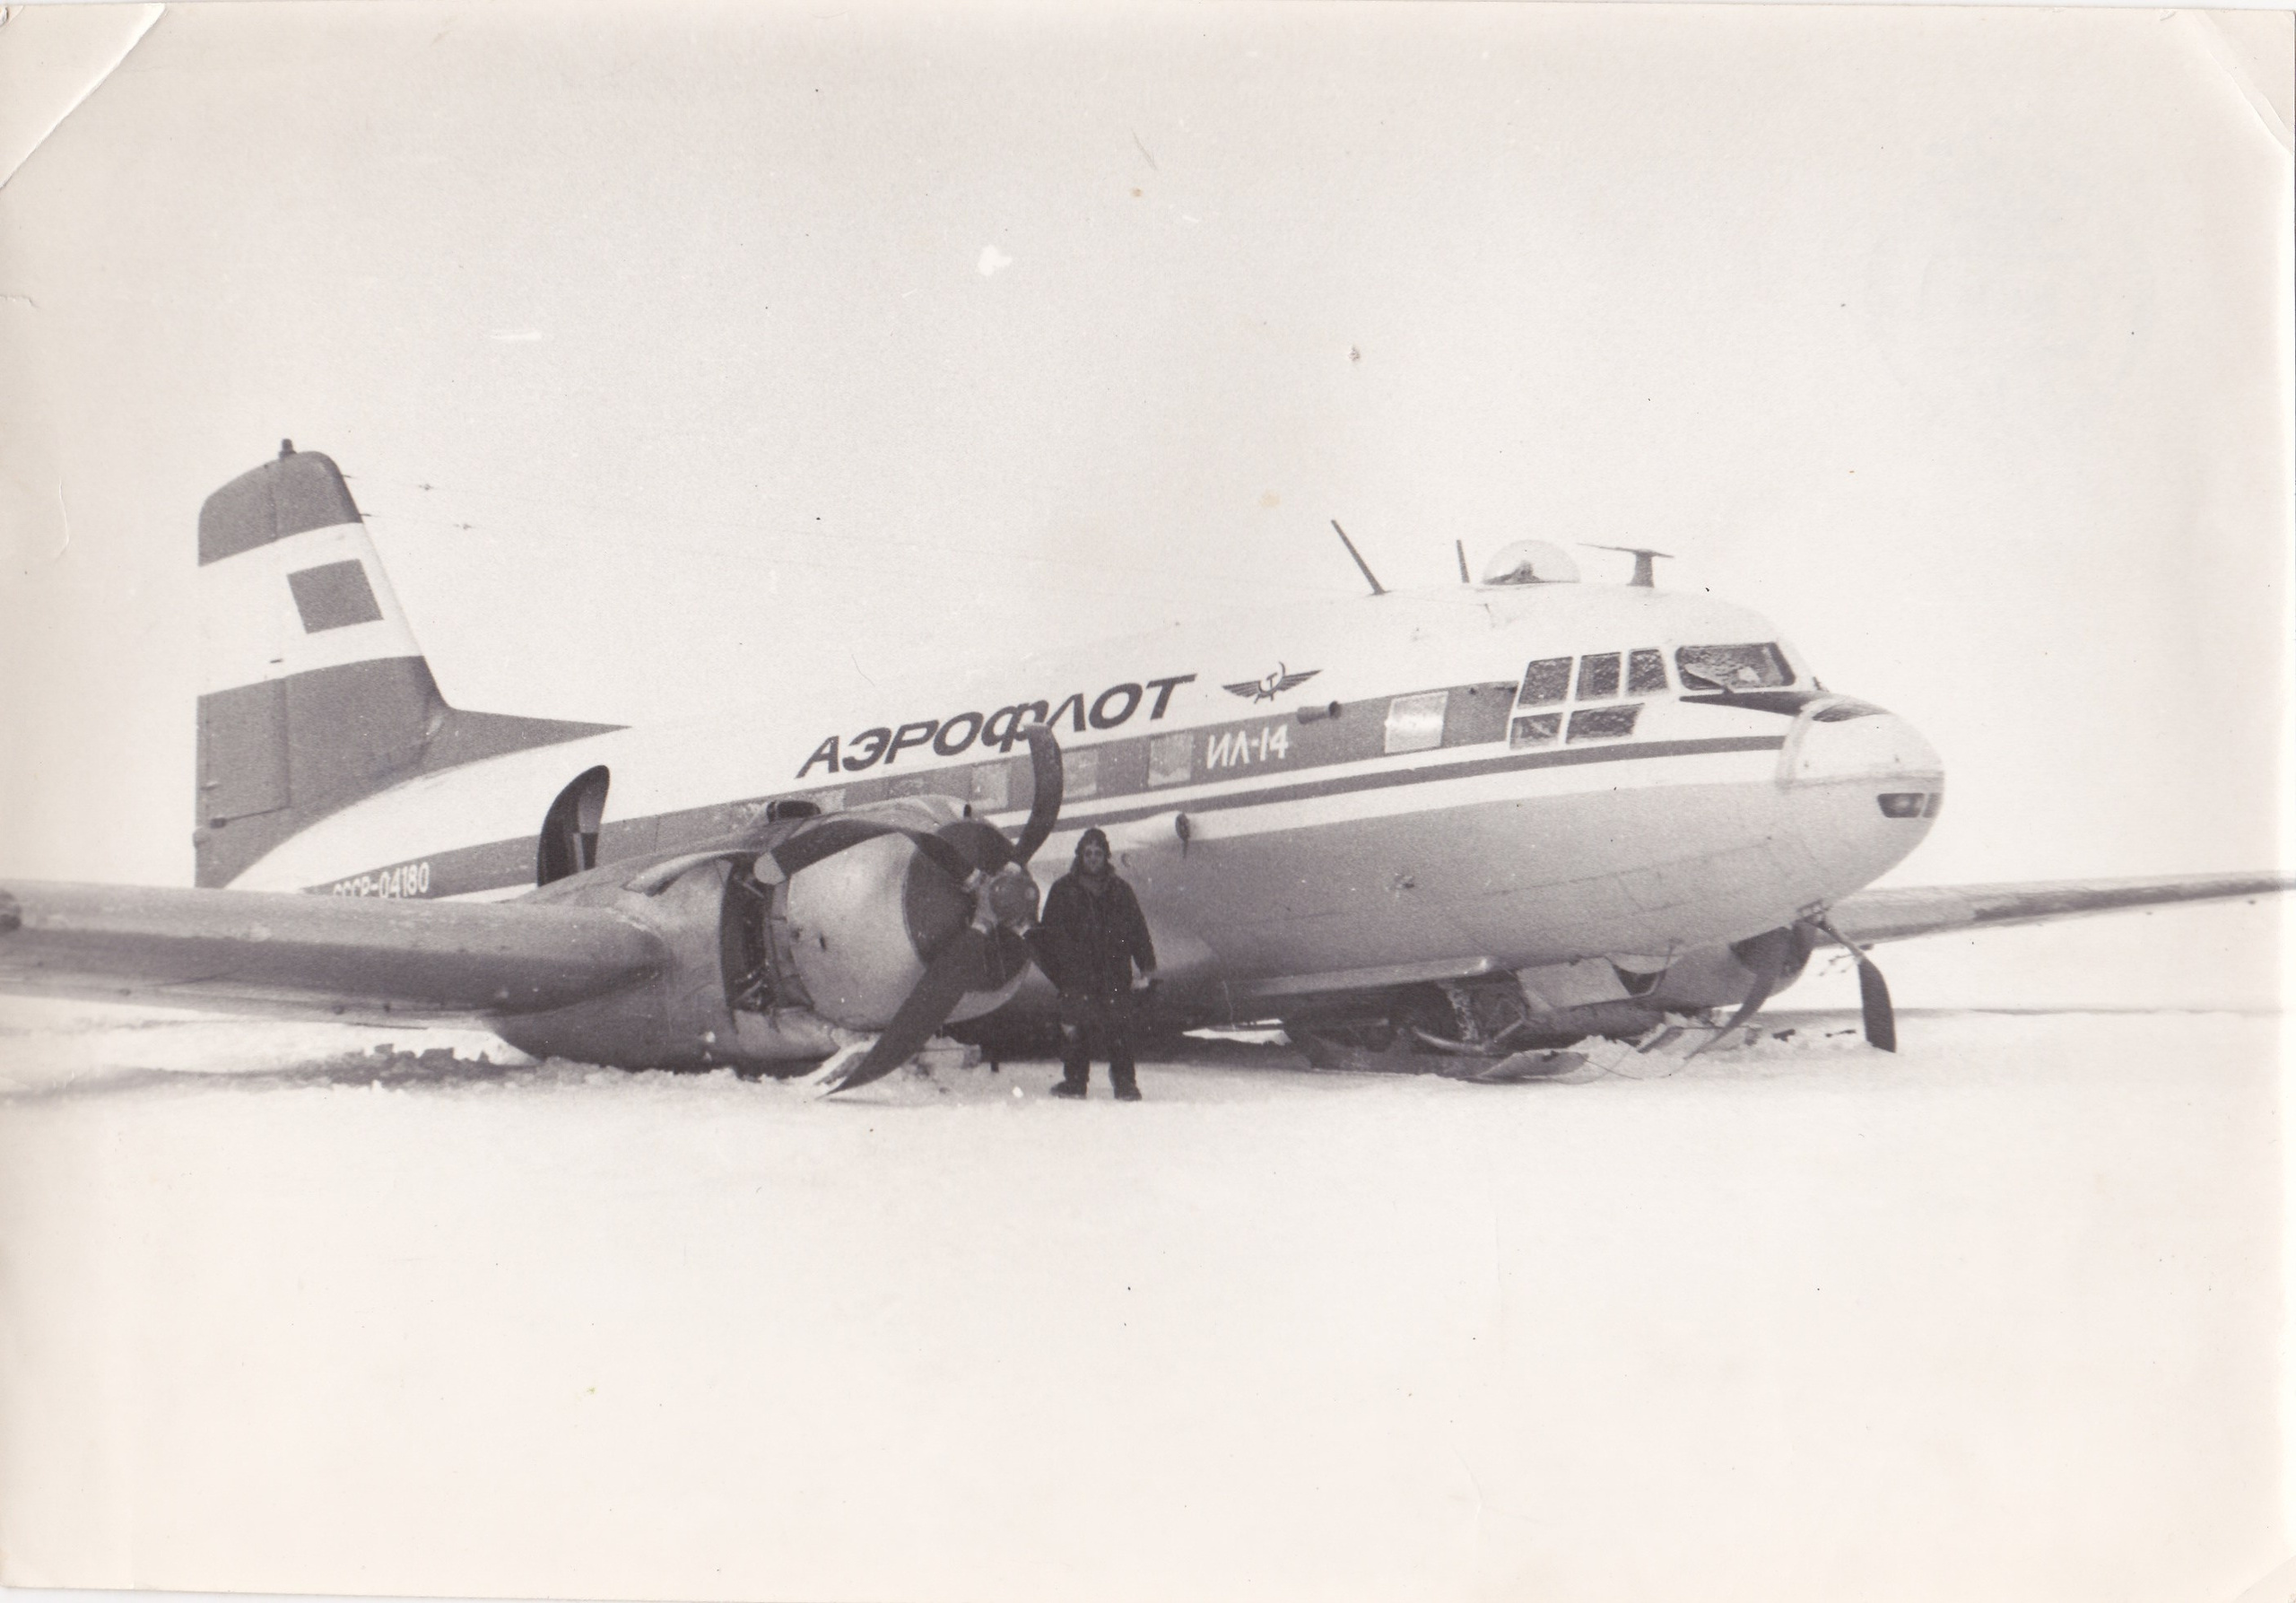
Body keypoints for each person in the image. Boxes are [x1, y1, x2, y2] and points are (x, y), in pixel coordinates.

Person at [1031, 827, 1156, 1101]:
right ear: (1079, 856)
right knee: (1075, 1029)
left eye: (1098, 853)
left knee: (1120, 1029)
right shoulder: (1062, 890)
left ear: (1105, 857)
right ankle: (1075, 1083)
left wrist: (1147, 965)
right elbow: (1048, 935)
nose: (1092, 858)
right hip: (1077, 974)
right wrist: (1059, 972)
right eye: (1087, 853)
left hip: (1113, 971)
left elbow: (1137, 929)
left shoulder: (1121, 891)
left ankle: (1125, 1084)